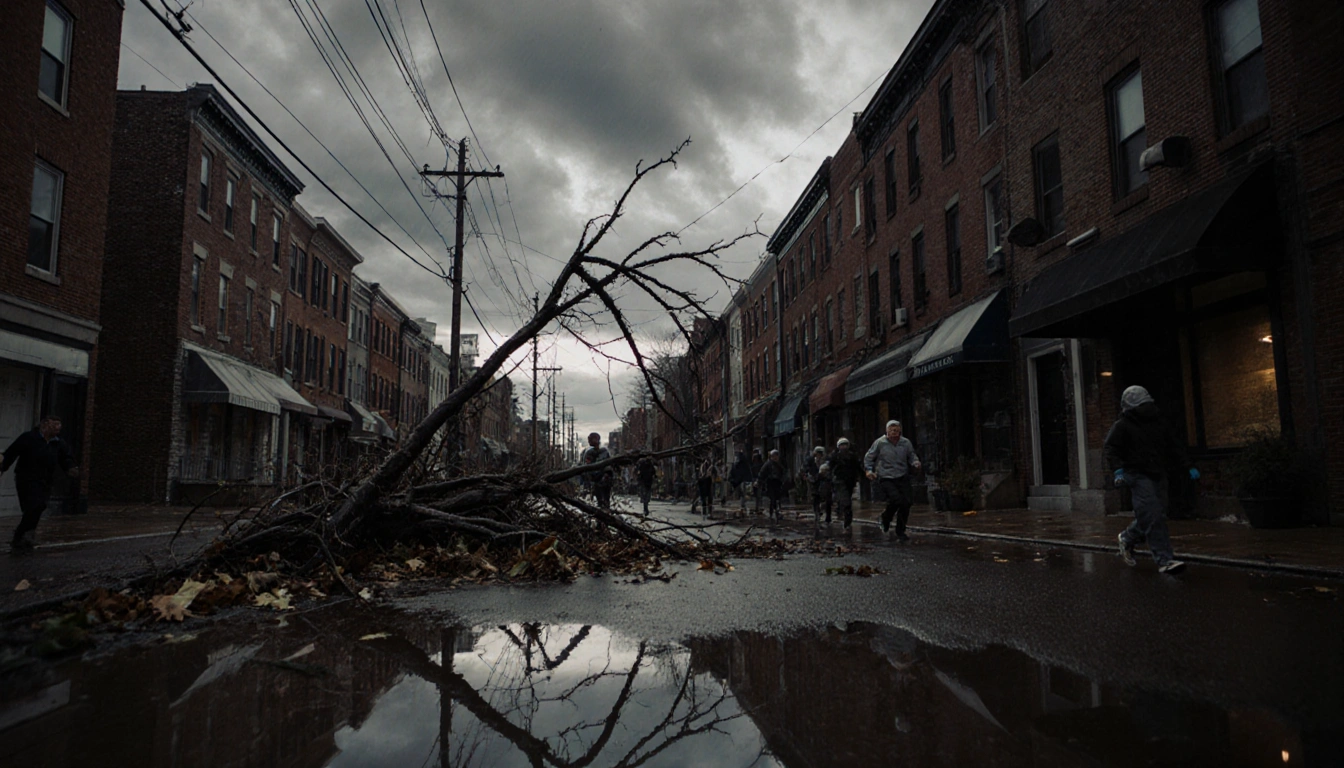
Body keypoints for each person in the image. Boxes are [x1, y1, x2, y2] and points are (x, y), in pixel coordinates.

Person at [1105, 385, 1198, 574]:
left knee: (1154, 514)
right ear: (1131, 407)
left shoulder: (1158, 423)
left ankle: (1127, 538)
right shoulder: (1122, 426)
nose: (1145, 408)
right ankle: (1164, 560)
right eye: (1141, 405)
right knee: (1153, 515)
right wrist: (1118, 471)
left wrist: (1188, 465)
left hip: (1157, 472)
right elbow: (1111, 449)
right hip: (1137, 474)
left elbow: (1173, 445)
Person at [3, 415, 79, 552]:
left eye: (59, 425)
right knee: (33, 505)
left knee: (39, 506)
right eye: (54, 425)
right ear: (44, 425)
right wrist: (2, 468)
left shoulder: (58, 443)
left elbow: (66, 458)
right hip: (26, 478)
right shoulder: (28, 438)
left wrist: (71, 468)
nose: (58, 428)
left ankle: (25, 535)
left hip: (45, 480)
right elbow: (11, 453)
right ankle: (22, 535)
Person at [864, 420, 922, 540]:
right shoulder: (880, 443)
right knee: (896, 499)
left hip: (902, 475)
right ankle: (885, 518)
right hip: (886, 476)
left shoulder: (905, 443)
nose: (894, 432)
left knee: (906, 503)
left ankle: (900, 530)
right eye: (891, 430)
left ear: (900, 431)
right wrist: (869, 470)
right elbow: (869, 457)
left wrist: (915, 462)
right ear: (887, 431)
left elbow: (911, 455)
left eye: (896, 430)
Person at [826, 437, 864, 529]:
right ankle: (847, 519)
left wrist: (864, 475)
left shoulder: (852, 456)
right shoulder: (835, 457)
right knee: (845, 500)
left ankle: (847, 517)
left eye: (845, 445)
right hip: (839, 481)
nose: (844, 447)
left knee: (848, 498)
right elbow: (830, 468)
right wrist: (830, 478)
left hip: (850, 481)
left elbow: (858, 467)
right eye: (842, 445)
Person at [579, 432, 614, 510]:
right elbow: (586, 467)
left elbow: (609, 466)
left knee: (604, 500)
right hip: (597, 480)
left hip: (603, 480)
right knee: (601, 501)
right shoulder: (589, 452)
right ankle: (603, 514)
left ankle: (605, 515)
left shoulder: (603, 451)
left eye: (591, 439)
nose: (589, 441)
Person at [757, 449, 786, 519]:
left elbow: (783, 472)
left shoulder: (779, 465)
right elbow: (762, 473)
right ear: (771, 457)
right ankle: (773, 512)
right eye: (774, 456)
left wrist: (783, 480)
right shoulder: (768, 464)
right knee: (772, 498)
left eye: (776, 456)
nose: (775, 457)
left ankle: (776, 511)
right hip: (770, 483)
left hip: (778, 483)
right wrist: (759, 481)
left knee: (777, 498)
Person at [804, 446, 830, 524]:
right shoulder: (810, 460)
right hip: (814, 480)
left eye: (820, 453)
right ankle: (817, 512)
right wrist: (807, 475)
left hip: (824, 480)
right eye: (817, 453)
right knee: (815, 497)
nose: (818, 455)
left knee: (827, 498)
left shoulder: (826, 460)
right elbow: (806, 468)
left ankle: (827, 516)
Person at [729, 449, 753, 515]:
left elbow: (735, 473)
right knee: (745, 494)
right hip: (743, 481)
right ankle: (743, 506)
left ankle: (743, 506)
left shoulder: (738, 464)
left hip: (742, 481)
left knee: (744, 494)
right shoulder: (743, 464)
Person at [750, 449, 765, 514]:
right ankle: (758, 506)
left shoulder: (754, 465)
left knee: (757, 494)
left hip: (757, 479)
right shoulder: (760, 464)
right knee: (758, 494)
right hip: (758, 479)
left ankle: (758, 507)